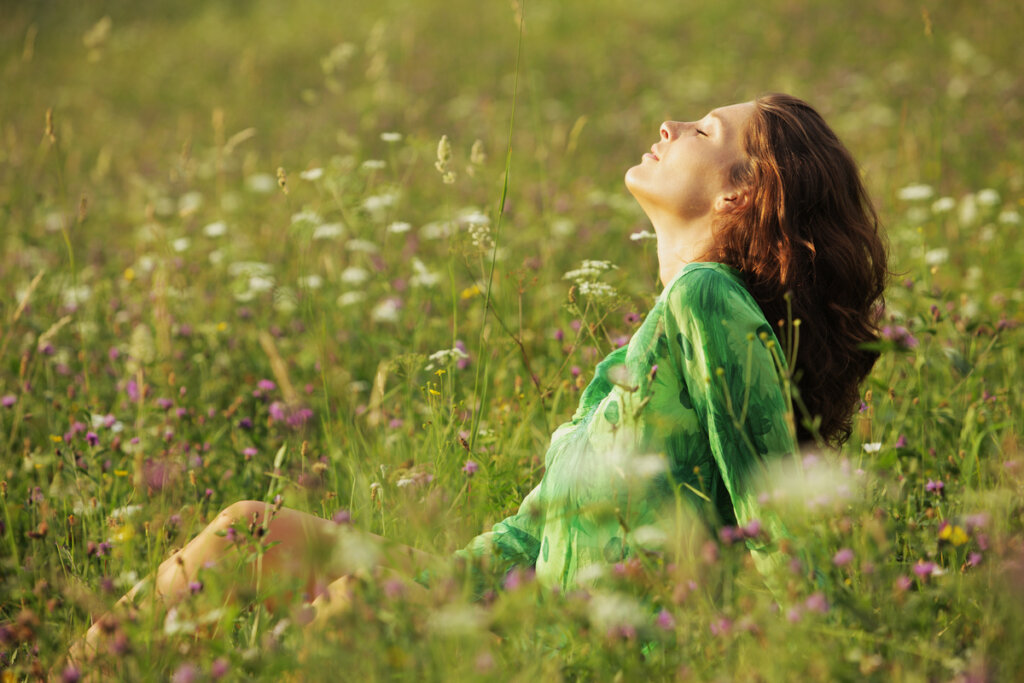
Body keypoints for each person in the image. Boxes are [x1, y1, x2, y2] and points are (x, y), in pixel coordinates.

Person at [72, 93, 887, 661]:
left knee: (354, 611)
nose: (671, 124)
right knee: (248, 530)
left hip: (590, 645)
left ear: (743, 189)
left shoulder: (714, 303)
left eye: (706, 130)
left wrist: (806, 652)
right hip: (511, 604)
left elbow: (776, 521)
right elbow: (534, 537)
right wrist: (432, 587)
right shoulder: (637, 350)